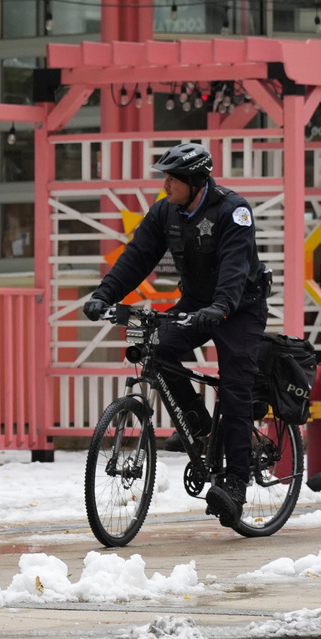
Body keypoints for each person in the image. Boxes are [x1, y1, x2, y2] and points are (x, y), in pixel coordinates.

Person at [82, 142, 268, 529]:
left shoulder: (233, 210)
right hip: (197, 302)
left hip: (239, 308)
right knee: (154, 347)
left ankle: (235, 482)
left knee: (235, 388)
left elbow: (235, 268)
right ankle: (201, 430)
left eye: (171, 178)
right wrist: (104, 294)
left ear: (194, 181)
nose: (164, 184)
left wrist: (221, 308)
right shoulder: (166, 211)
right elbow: (137, 257)